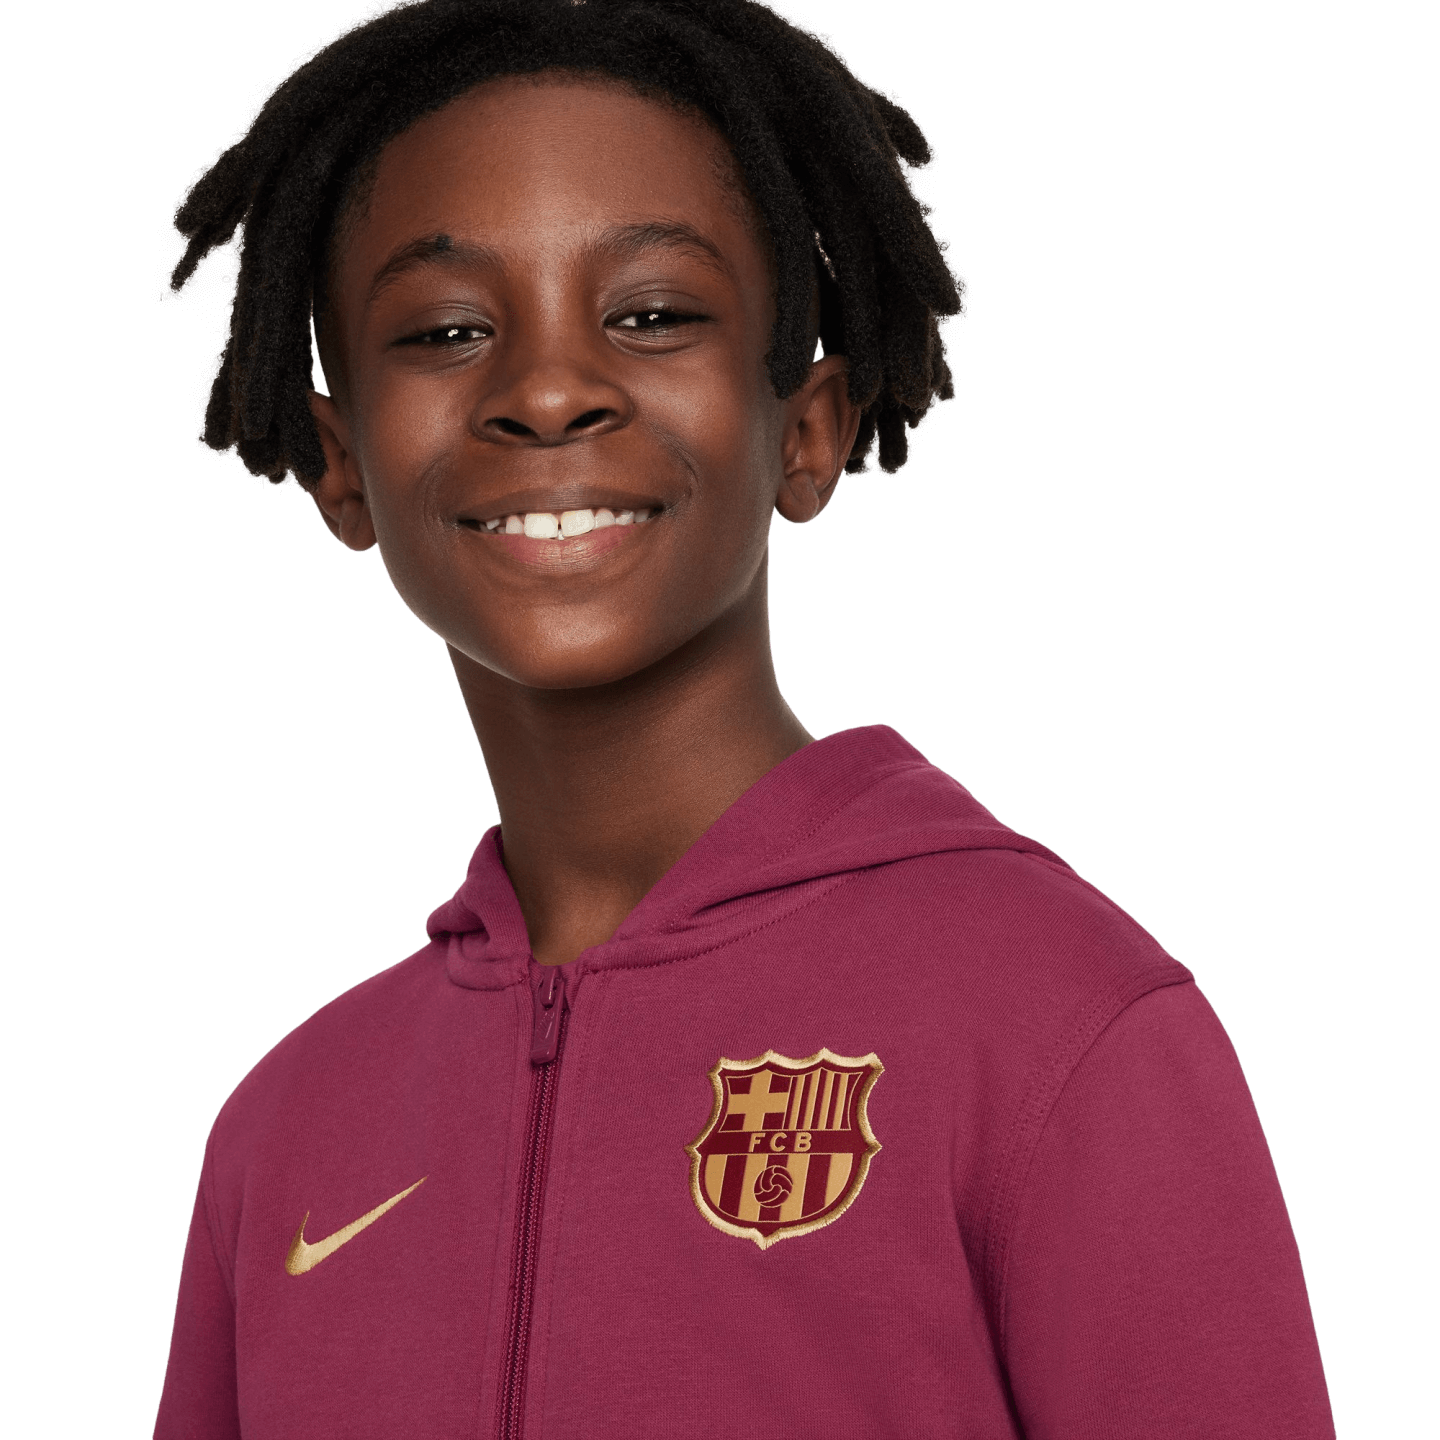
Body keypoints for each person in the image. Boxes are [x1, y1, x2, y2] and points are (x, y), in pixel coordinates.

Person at [155, 2, 1333, 1435]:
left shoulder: (1062, 1025)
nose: (546, 390)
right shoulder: (284, 1132)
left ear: (808, 430)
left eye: (652, 314)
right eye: (448, 329)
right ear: (340, 464)